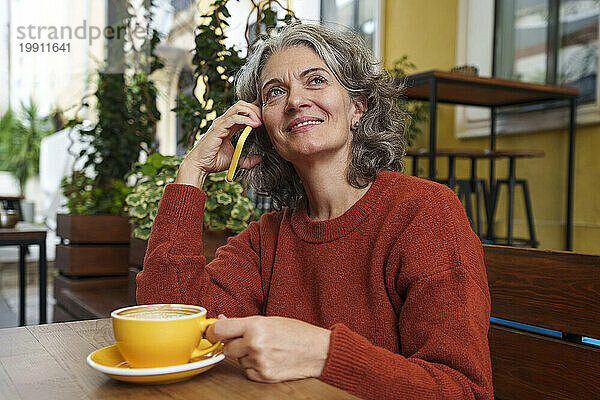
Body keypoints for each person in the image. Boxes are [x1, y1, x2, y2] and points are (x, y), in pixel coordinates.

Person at [137, 22, 493, 400]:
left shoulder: (424, 213)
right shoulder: (266, 238)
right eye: (275, 93)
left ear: (358, 107)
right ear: (266, 130)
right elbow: (169, 319)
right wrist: (192, 171)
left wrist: (323, 354)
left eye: (316, 81)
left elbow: (463, 389)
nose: (295, 101)